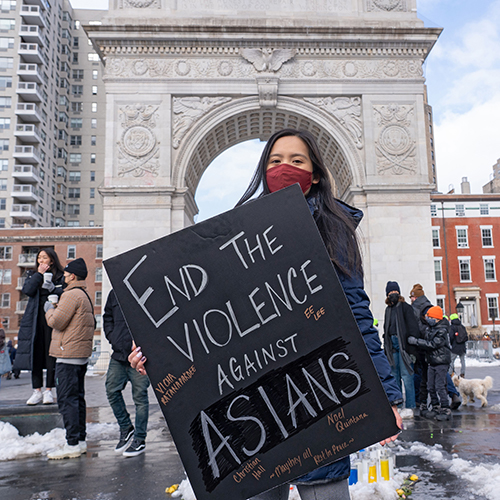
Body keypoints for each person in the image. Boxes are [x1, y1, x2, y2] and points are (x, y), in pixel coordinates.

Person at [130, 129, 403, 500]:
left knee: (325, 489)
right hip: (253, 406)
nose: (284, 168)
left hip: (319, 391)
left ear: (316, 173)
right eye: (275, 161)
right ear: (263, 170)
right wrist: (159, 356)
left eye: (297, 160)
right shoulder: (231, 235)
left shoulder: (335, 230)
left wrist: (385, 397)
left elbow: (357, 314)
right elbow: (207, 317)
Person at [44, 258, 95, 460]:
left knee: (67, 401)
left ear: (72, 275)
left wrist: (49, 309)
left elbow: (57, 322)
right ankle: (79, 440)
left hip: (67, 356)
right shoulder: (84, 294)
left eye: (65, 274)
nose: (63, 277)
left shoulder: (71, 295)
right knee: (77, 400)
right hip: (79, 356)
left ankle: (72, 443)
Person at [13, 248, 65, 405]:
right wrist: (39, 274)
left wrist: (55, 289)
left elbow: (64, 294)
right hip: (35, 320)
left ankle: (49, 390)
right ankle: (36, 391)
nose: (41, 261)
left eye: (44, 258)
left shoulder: (60, 277)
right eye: (39, 258)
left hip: (52, 319)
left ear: (52, 260)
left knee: (51, 354)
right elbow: (27, 290)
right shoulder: (33, 275)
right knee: (34, 354)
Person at [104, 289, 150, 457]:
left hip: (140, 356)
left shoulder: (143, 285)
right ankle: (126, 428)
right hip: (118, 355)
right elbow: (107, 317)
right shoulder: (114, 292)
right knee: (111, 390)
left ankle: (139, 439)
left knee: (140, 397)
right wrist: (113, 337)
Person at [408, 306, 452, 421]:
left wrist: (416, 342)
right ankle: (435, 406)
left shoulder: (442, 330)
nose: (427, 318)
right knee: (430, 386)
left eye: (430, 317)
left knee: (440, 386)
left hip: (441, 362)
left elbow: (433, 344)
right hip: (432, 361)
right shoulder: (431, 328)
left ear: (436, 318)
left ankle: (445, 408)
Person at [383, 281, 420, 416]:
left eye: (395, 292)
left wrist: (412, 350)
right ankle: (397, 404)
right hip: (392, 347)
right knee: (394, 377)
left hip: (404, 347)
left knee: (407, 376)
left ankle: (410, 406)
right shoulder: (388, 310)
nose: (393, 294)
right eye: (390, 292)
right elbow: (386, 330)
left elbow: (413, 328)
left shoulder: (405, 307)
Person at [448, 313, 468, 378]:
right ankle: (462, 373)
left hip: (455, 347)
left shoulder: (452, 327)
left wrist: (451, 344)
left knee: (451, 360)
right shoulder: (462, 326)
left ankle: (450, 373)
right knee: (462, 361)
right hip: (462, 347)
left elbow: (451, 337)